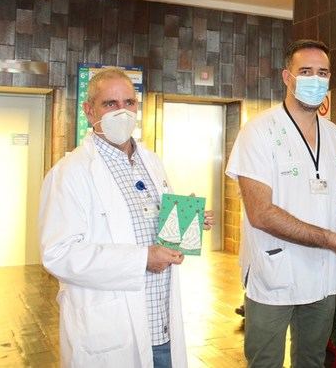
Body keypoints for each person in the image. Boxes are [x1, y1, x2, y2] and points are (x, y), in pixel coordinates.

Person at [39, 68, 213, 367]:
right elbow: (59, 254)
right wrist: (142, 259)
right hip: (113, 331)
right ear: (88, 109)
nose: (122, 112)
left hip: (162, 324)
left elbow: (145, 226)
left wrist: (186, 222)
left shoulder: (151, 161)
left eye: (129, 103)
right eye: (110, 104)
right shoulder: (70, 173)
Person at [225, 39, 336, 368]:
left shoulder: (335, 135)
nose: (315, 79)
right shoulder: (258, 132)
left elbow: (328, 202)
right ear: (287, 77)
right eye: (305, 71)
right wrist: (333, 240)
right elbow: (261, 214)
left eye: (322, 72)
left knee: (312, 360)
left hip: (322, 276)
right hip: (275, 272)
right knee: (265, 362)